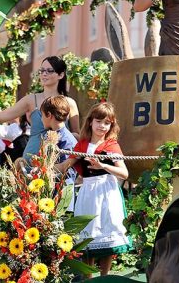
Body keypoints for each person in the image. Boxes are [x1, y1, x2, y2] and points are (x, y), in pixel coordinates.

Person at [55, 103, 131, 277]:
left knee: (106, 235)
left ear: (111, 125)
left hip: (107, 192)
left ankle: (104, 277)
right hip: (88, 192)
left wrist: (102, 165)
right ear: (90, 122)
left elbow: (124, 173)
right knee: (87, 237)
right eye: (98, 121)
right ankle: (88, 278)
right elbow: (65, 166)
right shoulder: (82, 146)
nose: (102, 126)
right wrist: (44, 165)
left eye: (107, 123)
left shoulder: (111, 146)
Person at [0, 56, 80, 158]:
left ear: (61, 75)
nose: (44, 74)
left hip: (59, 159)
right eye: (42, 70)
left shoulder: (69, 103)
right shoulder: (30, 100)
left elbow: (77, 136)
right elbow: (0, 116)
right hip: (32, 158)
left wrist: (60, 135)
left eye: (50, 71)